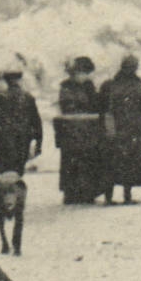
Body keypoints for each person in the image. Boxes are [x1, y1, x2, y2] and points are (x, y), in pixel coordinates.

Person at [99, 54, 141, 205]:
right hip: (132, 129)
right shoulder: (138, 86)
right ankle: (127, 196)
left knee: (111, 163)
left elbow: (100, 105)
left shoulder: (110, 84)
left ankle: (108, 198)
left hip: (113, 129)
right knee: (129, 163)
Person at [56, 56, 104, 204]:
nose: (86, 76)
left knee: (87, 161)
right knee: (72, 163)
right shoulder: (66, 87)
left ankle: (88, 192)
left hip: (87, 132)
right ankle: (71, 193)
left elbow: (96, 105)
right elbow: (67, 106)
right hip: (72, 131)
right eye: (84, 73)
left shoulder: (89, 86)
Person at [0, 67, 42, 175]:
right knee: (19, 172)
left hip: (3, 143)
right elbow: (36, 122)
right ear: (20, 80)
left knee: (4, 172)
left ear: (6, 81)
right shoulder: (28, 97)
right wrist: (38, 145)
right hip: (23, 142)